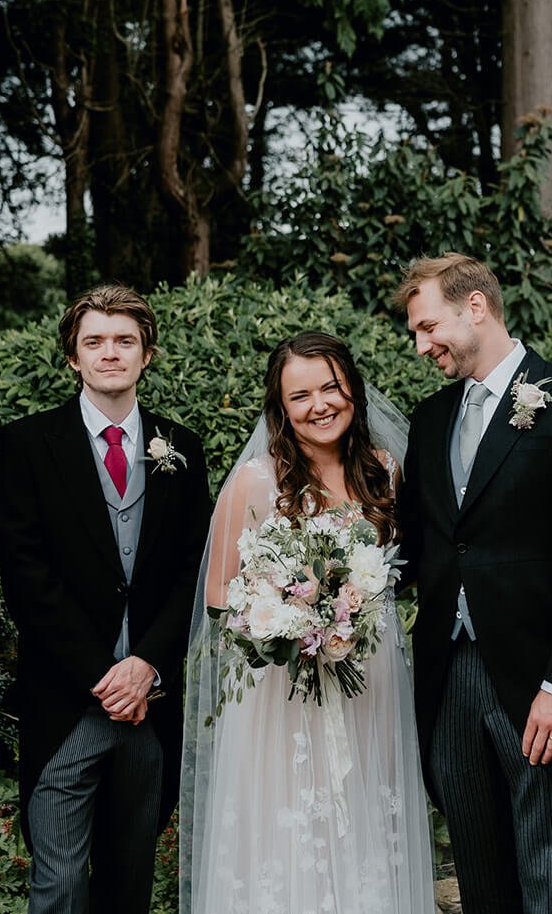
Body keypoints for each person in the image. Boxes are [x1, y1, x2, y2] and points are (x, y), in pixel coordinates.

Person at [393, 253, 552, 914]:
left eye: (427, 325)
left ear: (476, 307)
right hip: (449, 677)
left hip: (537, 680)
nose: (421, 345)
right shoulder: (431, 416)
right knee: (480, 879)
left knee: (549, 883)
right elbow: (419, 546)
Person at [178, 331, 435, 914]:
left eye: (331, 387)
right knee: (292, 824)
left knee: (370, 814)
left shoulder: (384, 470)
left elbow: (405, 569)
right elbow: (219, 593)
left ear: (352, 390)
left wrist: (352, 608)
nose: (320, 404)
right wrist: (290, 624)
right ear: (281, 408)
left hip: (373, 679)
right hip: (284, 693)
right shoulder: (257, 481)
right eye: (301, 396)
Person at [0, 284, 210, 914]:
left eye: (124, 341)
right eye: (95, 342)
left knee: (129, 880)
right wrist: (102, 674)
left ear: (147, 354)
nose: (109, 353)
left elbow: (192, 574)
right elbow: (27, 576)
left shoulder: (183, 449)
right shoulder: (27, 445)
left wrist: (145, 665)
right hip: (66, 702)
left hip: (150, 703)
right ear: (73, 357)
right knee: (57, 882)